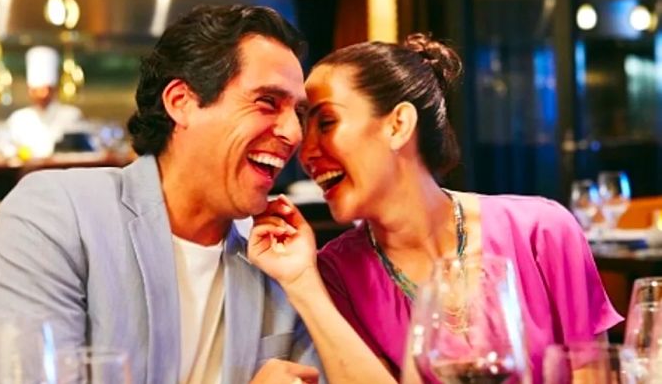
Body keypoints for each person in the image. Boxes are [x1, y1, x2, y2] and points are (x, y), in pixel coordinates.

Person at [0, 5, 325, 384]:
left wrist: (305, 282)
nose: (295, 133)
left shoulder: (277, 257)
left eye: (298, 113)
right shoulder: (55, 214)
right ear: (181, 102)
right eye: (267, 102)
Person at [248, 33, 623, 383]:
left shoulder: (542, 231)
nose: (306, 151)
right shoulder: (336, 274)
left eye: (326, 122)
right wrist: (302, 285)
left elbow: (592, 373)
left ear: (398, 124)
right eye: (303, 126)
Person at [1, 45, 83, 159]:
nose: (42, 94)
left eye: (46, 89)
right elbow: (5, 149)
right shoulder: (18, 118)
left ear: (54, 89)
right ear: (30, 91)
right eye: (37, 90)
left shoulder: (71, 115)